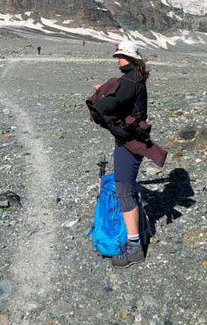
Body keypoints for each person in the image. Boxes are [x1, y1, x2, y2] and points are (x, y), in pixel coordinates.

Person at [92, 39, 149, 268]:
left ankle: (134, 247)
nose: (119, 61)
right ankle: (135, 237)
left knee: (124, 191)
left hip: (129, 143)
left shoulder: (127, 81)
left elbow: (109, 106)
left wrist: (101, 93)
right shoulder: (137, 79)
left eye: (121, 57)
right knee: (127, 187)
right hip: (134, 140)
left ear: (130, 59)